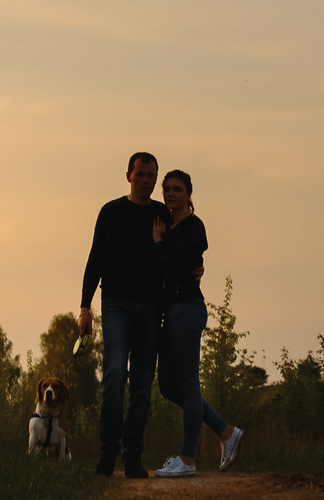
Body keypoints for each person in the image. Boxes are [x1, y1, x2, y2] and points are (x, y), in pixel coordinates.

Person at [147, 169, 243, 478]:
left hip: (187, 310)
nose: (170, 194)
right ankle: (226, 431)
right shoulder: (168, 226)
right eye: (167, 189)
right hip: (170, 312)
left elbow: (174, 265)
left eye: (177, 189)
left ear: (189, 194)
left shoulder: (193, 226)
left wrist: (159, 243)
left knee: (188, 384)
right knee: (168, 386)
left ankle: (188, 460)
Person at [78, 151, 165, 477]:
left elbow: (175, 257)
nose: (145, 180)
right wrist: (85, 307)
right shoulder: (111, 212)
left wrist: (195, 268)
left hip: (151, 308)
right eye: (140, 174)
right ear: (129, 175)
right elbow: (95, 258)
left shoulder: (162, 215)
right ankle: (108, 454)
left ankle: (132, 458)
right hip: (116, 304)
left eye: (151, 175)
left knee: (142, 384)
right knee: (115, 373)